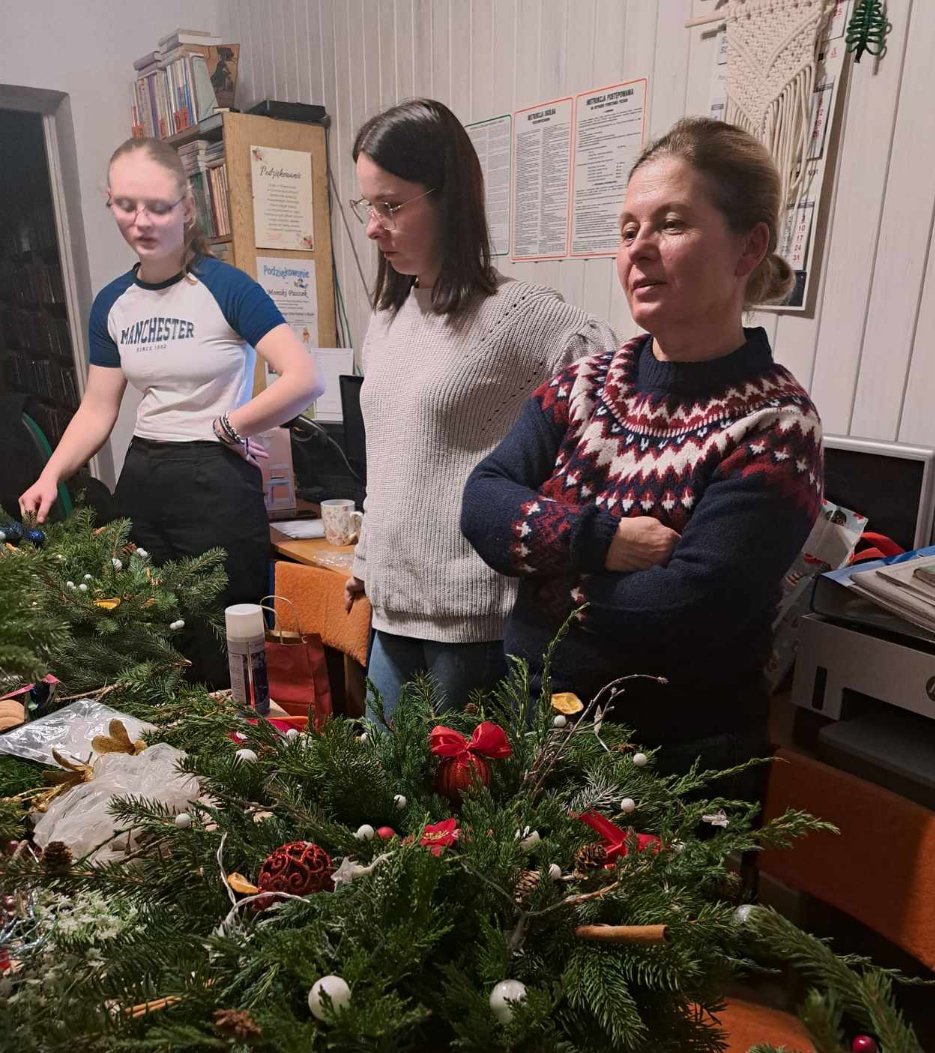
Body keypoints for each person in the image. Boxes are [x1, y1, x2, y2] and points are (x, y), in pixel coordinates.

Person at [461, 118, 824, 801]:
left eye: (671, 224)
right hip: (532, 730)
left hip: (673, 775)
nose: (640, 250)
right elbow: (482, 502)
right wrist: (602, 540)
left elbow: (685, 611)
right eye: (628, 230)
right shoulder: (581, 384)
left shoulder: (776, 427)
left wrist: (539, 584)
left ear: (749, 248)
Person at [342, 99, 615, 719]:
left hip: (474, 617)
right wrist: (366, 560)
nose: (372, 227)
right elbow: (388, 455)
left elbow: (606, 376)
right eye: (368, 206)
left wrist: (566, 532)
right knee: (380, 800)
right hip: (393, 607)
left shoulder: (516, 314)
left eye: (390, 206)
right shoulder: (388, 317)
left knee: (451, 811)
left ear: (449, 198)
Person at [19, 136, 322, 686]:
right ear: (109, 201)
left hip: (215, 479)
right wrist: (49, 474)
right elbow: (97, 406)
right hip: (142, 478)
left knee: (225, 645)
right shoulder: (112, 303)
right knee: (145, 638)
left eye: (158, 207)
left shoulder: (226, 287)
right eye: (126, 205)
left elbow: (303, 378)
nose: (142, 221)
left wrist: (231, 423)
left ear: (187, 207)